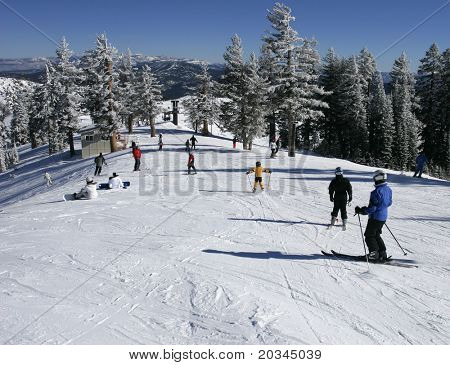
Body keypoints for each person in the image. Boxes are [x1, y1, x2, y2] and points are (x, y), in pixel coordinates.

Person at [355, 170, 393, 262]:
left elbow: (372, 208)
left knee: (369, 235)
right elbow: (389, 202)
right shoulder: (388, 189)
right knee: (376, 235)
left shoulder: (376, 192)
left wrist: (362, 210)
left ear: (377, 178)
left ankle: (373, 254)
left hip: (375, 218)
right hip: (383, 217)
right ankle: (382, 253)